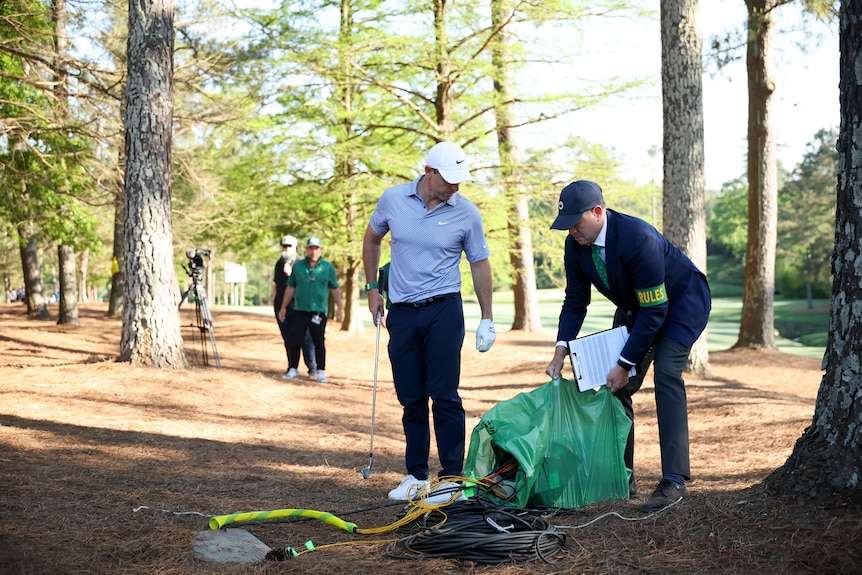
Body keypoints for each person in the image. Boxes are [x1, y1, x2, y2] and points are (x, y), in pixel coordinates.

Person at [544, 180, 711, 513]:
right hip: (640, 307)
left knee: (665, 374)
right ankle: (622, 477)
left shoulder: (639, 237)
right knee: (614, 384)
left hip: (681, 304)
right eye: (567, 225)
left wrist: (624, 363)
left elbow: (656, 310)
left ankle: (674, 481)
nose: (572, 231)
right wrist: (561, 348)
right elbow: (576, 301)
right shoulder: (575, 245)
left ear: (598, 212)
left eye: (577, 223)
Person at [362, 141, 497, 502]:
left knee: (445, 396)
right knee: (411, 398)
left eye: (459, 179)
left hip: (444, 311)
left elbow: (479, 263)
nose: (456, 185)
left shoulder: (466, 212)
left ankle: (453, 478)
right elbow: (372, 238)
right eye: (448, 178)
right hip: (402, 312)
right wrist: (372, 288)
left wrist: (487, 317)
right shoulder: (393, 199)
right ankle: (416, 476)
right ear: (428, 172)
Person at [278, 236, 343, 383]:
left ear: (320, 250)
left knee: (318, 341)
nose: (313, 251)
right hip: (300, 309)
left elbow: (335, 289)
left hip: (319, 311)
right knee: (295, 340)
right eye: (311, 248)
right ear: (306, 249)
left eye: (316, 248)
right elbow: (290, 287)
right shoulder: (299, 266)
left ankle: (320, 371)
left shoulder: (327, 267)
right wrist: (283, 307)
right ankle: (293, 368)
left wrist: (340, 308)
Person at [272, 235, 317, 379]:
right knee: (288, 338)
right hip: (281, 307)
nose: (286, 249)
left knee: (305, 338)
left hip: (299, 307)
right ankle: (292, 367)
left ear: (295, 248)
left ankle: (313, 369)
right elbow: (276, 284)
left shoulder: (302, 264)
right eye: (284, 246)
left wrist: (292, 273)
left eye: (289, 246)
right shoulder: (279, 263)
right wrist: (275, 302)